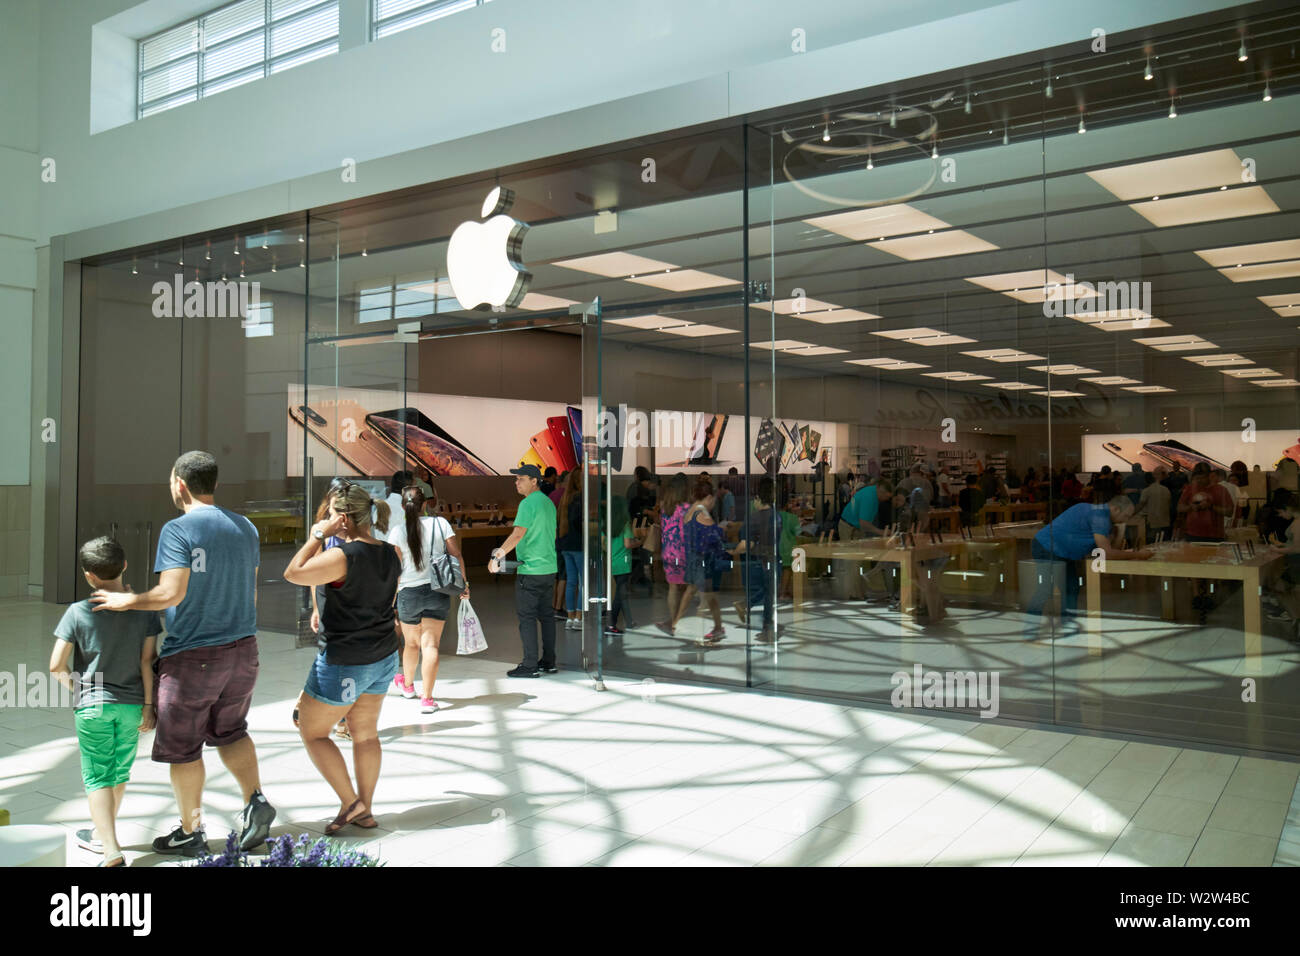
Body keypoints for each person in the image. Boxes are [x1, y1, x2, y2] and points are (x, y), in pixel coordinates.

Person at [90, 451, 273, 856]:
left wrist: (127, 602)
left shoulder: (178, 530)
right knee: (232, 732)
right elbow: (251, 589)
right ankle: (255, 800)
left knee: (185, 748)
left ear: (180, 484)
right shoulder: (245, 527)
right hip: (244, 649)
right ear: (214, 484)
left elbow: (170, 593)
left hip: (194, 655)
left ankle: (191, 831)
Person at [283, 482, 398, 834]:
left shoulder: (341, 557)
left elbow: (293, 572)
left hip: (346, 660)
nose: (329, 520)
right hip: (383, 655)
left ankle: (351, 803)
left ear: (344, 519)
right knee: (365, 735)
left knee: (312, 730)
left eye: (333, 515)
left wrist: (318, 533)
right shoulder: (393, 552)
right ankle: (365, 810)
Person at [52, 537, 160, 867]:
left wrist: (81, 689)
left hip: (93, 706)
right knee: (118, 772)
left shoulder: (77, 613)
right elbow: (147, 661)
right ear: (125, 565)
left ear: (88, 576)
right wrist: (148, 706)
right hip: (132, 707)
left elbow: (56, 666)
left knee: (98, 776)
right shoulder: (145, 612)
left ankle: (110, 848)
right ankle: (102, 835)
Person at [1023, 494, 1152, 639]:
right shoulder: (1100, 517)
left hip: (1061, 550)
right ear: (1115, 509)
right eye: (1126, 516)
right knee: (1046, 589)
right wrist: (1138, 555)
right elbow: (1107, 554)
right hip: (1047, 547)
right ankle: (1030, 630)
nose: (1127, 520)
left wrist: (1119, 530)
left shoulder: (1100, 514)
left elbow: (1109, 549)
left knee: (1071, 587)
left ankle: (1067, 625)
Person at [387, 486, 468, 714]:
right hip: (438, 590)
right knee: (430, 645)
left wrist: (390, 601)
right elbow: (456, 555)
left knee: (411, 645)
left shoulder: (398, 531)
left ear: (404, 507)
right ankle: (428, 699)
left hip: (408, 593)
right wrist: (464, 584)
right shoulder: (440, 524)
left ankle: (409, 686)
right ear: (425, 504)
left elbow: (396, 570)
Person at [489, 465, 558, 677]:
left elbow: (518, 534)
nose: (516, 482)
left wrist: (497, 556)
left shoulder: (527, 504)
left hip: (530, 570)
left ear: (534, 481)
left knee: (527, 618)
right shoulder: (548, 503)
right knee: (547, 617)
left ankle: (530, 665)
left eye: (520, 479)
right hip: (549, 568)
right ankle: (548, 662)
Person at [674, 478, 728, 642]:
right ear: (709, 498)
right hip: (703, 560)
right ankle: (713, 629)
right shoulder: (702, 513)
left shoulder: (689, 512)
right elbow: (714, 537)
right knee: (707, 596)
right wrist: (722, 528)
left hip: (692, 558)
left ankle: (676, 623)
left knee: (692, 592)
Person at [733, 476, 781, 642]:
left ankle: (752, 612)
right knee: (769, 594)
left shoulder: (753, 518)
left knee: (766, 592)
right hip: (773, 558)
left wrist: (733, 552)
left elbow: (747, 544)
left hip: (757, 561)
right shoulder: (776, 516)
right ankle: (766, 627)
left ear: (759, 498)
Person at [655, 474, 691, 637]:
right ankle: (677, 621)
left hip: (668, 551)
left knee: (673, 587)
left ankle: (674, 620)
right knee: (689, 588)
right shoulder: (686, 508)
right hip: (683, 552)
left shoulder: (665, 507)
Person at [556, 469, 585, 631]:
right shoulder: (580, 498)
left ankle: (570, 617)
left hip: (565, 545)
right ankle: (579, 617)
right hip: (578, 545)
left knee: (571, 581)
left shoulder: (565, 499)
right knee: (582, 582)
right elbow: (578, 522)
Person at [605, 496, 639, 636]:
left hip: (612, 561)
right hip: (623, 562)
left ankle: (629, 622)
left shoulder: (607, 523)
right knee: (620, 595)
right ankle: (611, 624)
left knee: (621, 592)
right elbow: (627, 544)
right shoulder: (625, 523)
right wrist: (639, 542)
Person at [1179, 463, 1233, 542]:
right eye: (1197, 478)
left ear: (1209, 475)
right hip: (1192, 534)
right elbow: (1179, 508)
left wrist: (1211, 507)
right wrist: (1191, 507)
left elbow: (1229, 512)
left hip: (1215, 535)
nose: (1199, 481)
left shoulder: (1221, 490)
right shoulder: (1190, 488)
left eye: (1202, 478)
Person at [1135, 466, 1171, 544]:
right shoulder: (1166, 490)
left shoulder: (1146, 491)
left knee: (1152, 547)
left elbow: (1141, 505)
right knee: (1164, 548)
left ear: (1145, 481)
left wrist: (1131, 513)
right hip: (1165, 522)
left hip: (1152, 523)